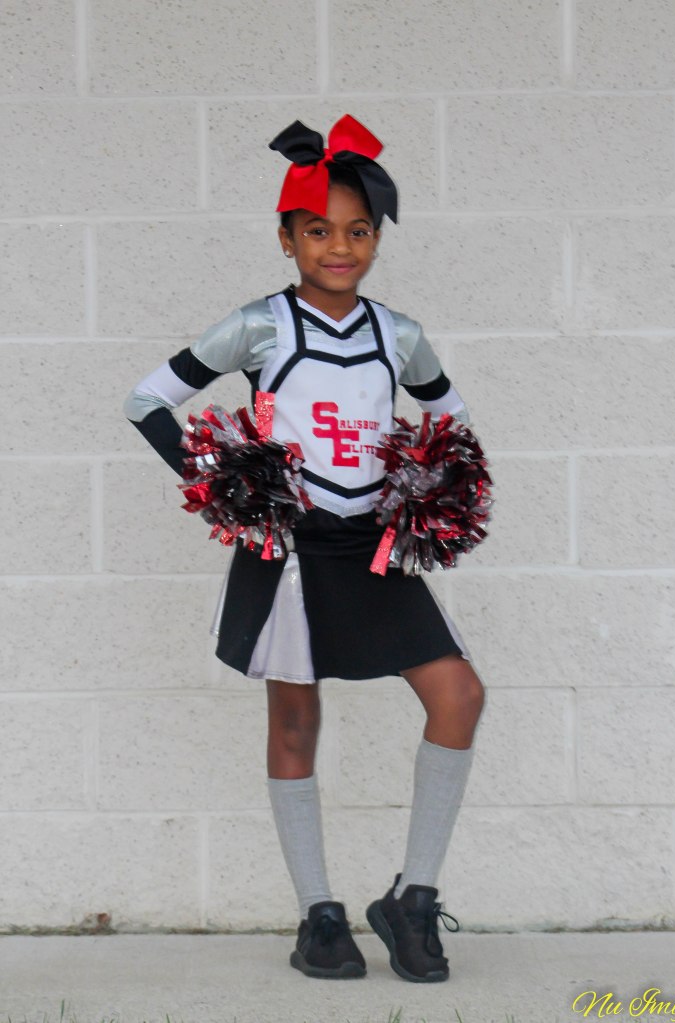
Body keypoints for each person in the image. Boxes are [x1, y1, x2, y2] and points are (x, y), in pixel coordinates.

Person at [124, 114, 486, 984]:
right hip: (288, 545)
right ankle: (320, 913)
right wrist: (223, 485)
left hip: (371, 546)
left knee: (459, 694)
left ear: (377, 240)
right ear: (286, 238)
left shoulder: (397, 333)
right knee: (295, 719)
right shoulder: (259, 325)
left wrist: (425, 486)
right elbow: (147, 400)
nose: (339, 247)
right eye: (318, 230)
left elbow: (451, 418)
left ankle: (413, 898)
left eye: (358, 230)